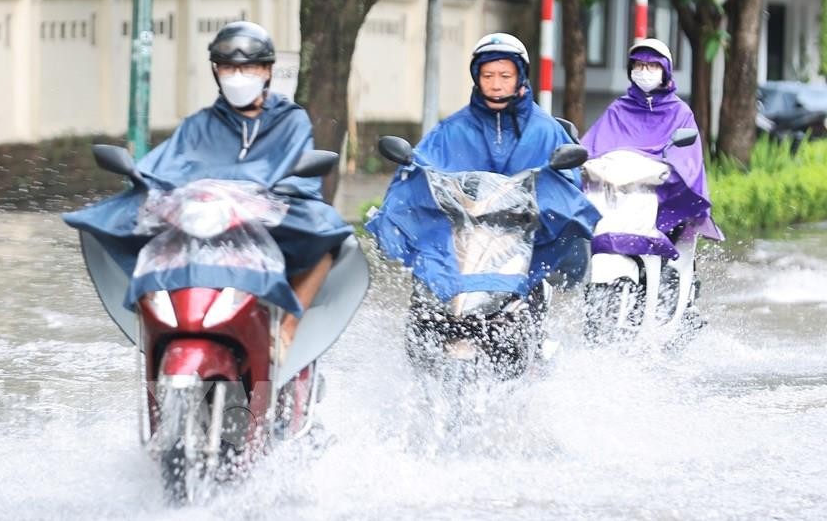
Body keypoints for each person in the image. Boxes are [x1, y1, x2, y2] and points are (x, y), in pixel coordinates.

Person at [64, 20, 350, 350]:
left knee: (326, 236)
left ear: (267, 71)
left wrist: (262, 194)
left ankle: (286, 331)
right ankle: (155, 328)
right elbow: (160, 168)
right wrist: (142, 179)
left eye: (249, 67)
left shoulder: (290, 120)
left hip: (266, 217)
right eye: (228, 67)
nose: (238, 76)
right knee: (128, 223)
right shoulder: (199, 124)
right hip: (202, 218)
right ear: (216, 71)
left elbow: (297, 174)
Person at [367, 32, 600, 311]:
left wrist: (544, 190)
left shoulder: (545, 129)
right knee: (426, 290)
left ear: (520, 77)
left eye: (504, 76)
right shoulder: (452, 129)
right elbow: (424, 164)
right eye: (488, 76)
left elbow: (566, 182)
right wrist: (412, 167)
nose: (496, 85)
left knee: (532, 291)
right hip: (461, 235)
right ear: (477, 77)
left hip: (520, 236)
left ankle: (532, 334)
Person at [580, 38, 723, 249]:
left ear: (665, 70)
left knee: (675, 229)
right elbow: (591, 148)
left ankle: (669, 271)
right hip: (617, 198)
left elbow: (687, 163)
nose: (644, 71)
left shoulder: (680, 112)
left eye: (652, 66)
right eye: (639, 65)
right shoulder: (618, 109)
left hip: (662, 197)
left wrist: (665, 175)